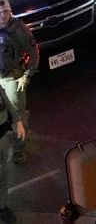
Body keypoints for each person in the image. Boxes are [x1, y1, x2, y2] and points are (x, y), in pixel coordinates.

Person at [0, 0, 37, 168]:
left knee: (17, 115)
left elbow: (33, 51)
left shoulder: (19, 29)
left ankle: (19, 149)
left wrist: (27, 75)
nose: (3, 16)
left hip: (12, 78)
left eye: (5, 12)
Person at [0, 79, 25, 224]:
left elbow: (5, 99)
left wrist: (17, 121)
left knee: (3, 173)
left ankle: (2, 207)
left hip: (1, 136)